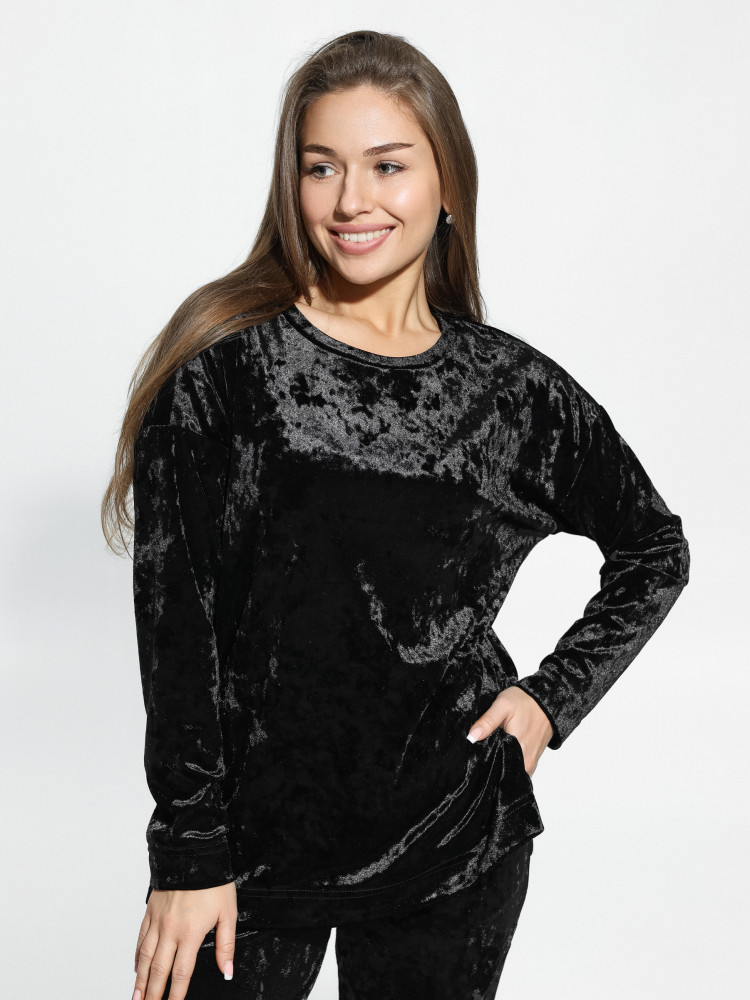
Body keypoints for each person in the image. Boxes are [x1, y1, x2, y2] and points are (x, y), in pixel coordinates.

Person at [101, 29, 691, 1000]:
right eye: (321, 167)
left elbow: (654, 548)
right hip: (247, 858)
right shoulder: (225, 370)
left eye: (388, 165)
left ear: (446, 182)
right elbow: (179, 633)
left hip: (453, 841)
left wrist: (550, 699)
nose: (351, 201)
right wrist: (188, 852)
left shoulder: (510, 392)